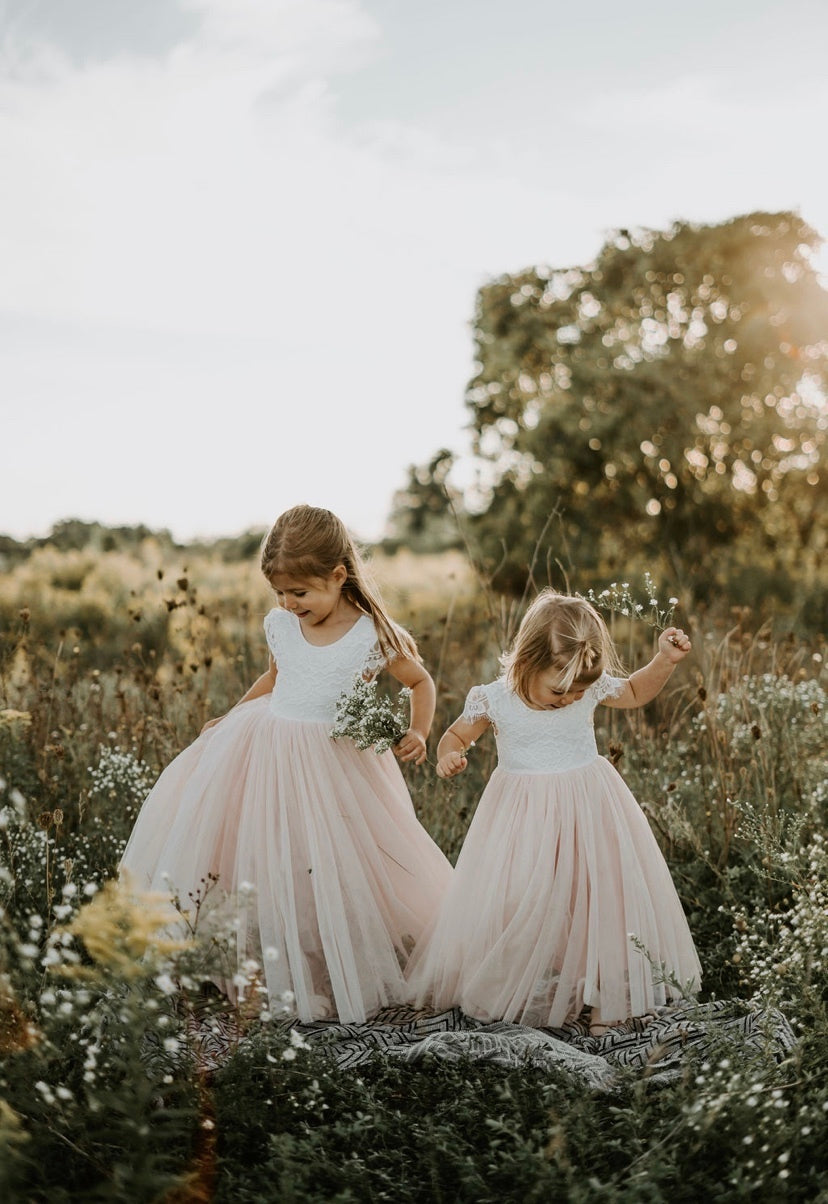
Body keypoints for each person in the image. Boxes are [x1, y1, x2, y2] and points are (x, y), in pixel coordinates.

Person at [119, 504, 452, 1023]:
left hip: (337, 764)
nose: (289, 604)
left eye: (300, 593)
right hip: (271, 750)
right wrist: (231, 717)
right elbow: (276, 678)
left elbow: (420, 682)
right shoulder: (281, 625)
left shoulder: (372, 634)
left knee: (341, 858)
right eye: (280, 593)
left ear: (339, 576)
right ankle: (278, 958)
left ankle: (344, 952)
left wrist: (419, 731)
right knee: (277, 855)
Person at [405, 589, 701, 1035]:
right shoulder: (493, 699)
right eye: (560, 690)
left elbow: (636, 691)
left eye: (579, 691)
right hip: (521, 819)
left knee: (602, 897)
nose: (569, 699)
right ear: (526, 662)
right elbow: (455, 735)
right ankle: (516, 983)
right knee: (519, 898)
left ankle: (609, 998)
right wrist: (450, 756)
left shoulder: (582, 687)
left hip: (589, 809)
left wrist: (664, 661)